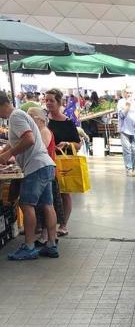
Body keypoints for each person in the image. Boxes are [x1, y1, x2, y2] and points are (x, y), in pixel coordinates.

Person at [0, 91, 58, 260]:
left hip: (36, 167)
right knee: (47, 204)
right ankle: (51, 244)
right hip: (45, 165)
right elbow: (14, 142)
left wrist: (7, 154)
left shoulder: (15, 117)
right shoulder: (19, 116)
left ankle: (29, 246)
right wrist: (4, 154)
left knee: (26, 205)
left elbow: (29, 139)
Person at [45, 87, 81, 236]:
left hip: (63, 163)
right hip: (47, 161)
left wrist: (66, 143)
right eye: (46, 100)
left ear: (59, 103)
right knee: (48, 194)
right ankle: (47, 225)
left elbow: (78, 144)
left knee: (64, 193)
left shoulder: (68, 123)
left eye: (51, 101)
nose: (48, 103)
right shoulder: (44, 120)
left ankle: (63, 225)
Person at [27, 106, 65, 244]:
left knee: (46, 205)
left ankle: (48, 236)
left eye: (30, 117)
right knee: (46, 205)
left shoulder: (43, 131)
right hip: (46, 170)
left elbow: (38, 149)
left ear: (38, 119)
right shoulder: (42, 131)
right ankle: (49, 237)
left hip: (44, 170)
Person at [117, 89, 135, 176]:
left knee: (134, 150)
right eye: (127, 92)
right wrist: (127, 106)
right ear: (124, 93)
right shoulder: (121, 102)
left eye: (131, 92)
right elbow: (122, 115)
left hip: (134, 130)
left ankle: (133, 168)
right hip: (124, 129)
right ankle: (128, 169)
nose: (129, 94)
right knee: (127, 150)